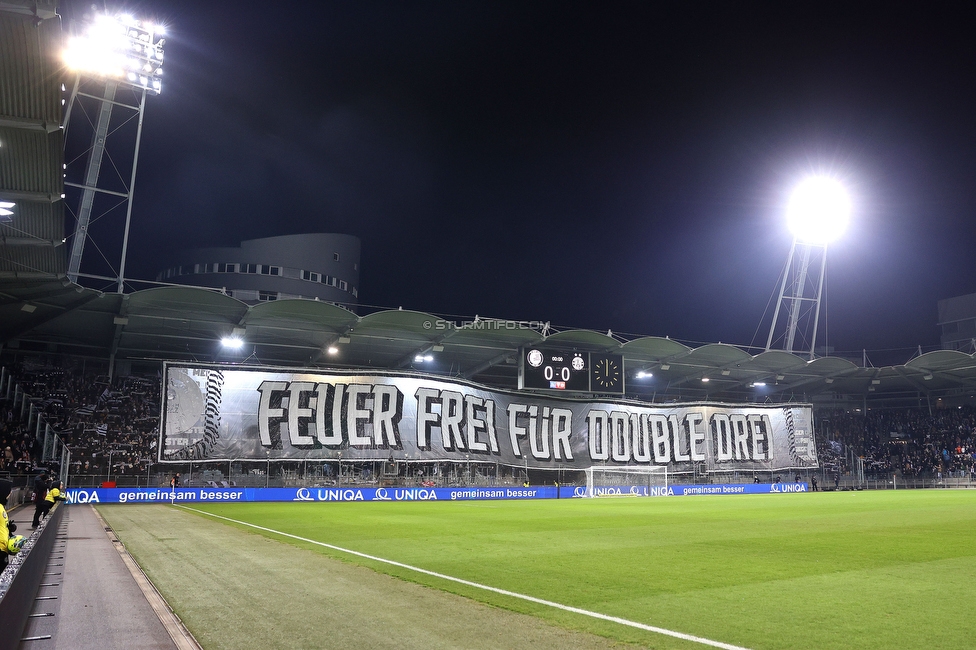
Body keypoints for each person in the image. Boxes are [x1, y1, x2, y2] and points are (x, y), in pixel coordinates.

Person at [0, 478, 17, 572]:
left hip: (3, 548)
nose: (10, 494)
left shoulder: (2, 507)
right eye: (8, 491)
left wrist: (9, 529)